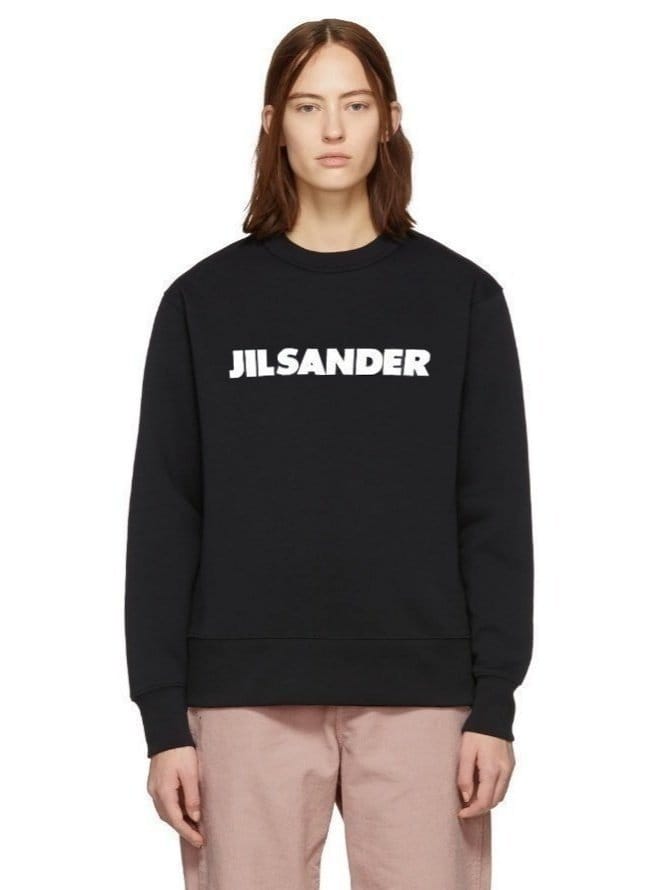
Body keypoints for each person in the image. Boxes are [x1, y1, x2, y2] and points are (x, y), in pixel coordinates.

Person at [124, 17, 534, 890]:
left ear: (389, 119)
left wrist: (493, 703)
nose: (334, 128)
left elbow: (494, 510)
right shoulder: (204, 303)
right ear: (274, 123)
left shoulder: (459, 300)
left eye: (355, 104)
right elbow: (165, 515)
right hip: (241, 694)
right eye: (309, 106)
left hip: (425, 694)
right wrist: (162, 721)